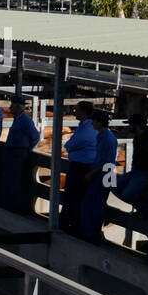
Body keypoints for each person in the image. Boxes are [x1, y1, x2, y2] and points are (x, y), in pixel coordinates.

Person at [80, 110, 118, 244]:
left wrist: (91, 173)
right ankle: (91, 232)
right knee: (94, 204)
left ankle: (92, 233)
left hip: (104, 174)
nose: (92, 123)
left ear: (99, 122)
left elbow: (107, 162)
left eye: (94, 120)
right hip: (104, 173)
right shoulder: (102, 136)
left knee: (94, 204)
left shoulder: (107, 138)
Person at [0, 95, 41, 215]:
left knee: (15, 179)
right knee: (12, 178)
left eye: (12, 105)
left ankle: (14, 206)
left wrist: (26, 150)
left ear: (18, 106)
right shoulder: (18, 118)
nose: (10, 107)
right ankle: (11, 204)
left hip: (18, 152)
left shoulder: (24, 120)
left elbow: (35, 136)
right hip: (15, 151)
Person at [61, 101, 97, 236]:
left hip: (81, 167)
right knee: (74, 196)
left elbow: (72, 144)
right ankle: (71, 224)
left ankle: (72, 225)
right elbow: (71, 144)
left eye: (77, 110)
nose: (75, 112)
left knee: (74, 196)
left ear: (84, 112)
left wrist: (71, 147)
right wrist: (71, 146)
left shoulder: (87, 128)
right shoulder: (84, 126)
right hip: (80, 165)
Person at [119, 112, 148, 215]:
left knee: (127, 194)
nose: (129, 127)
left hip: (147, 173)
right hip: (137, 172)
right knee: (113, 185)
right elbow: (135, 157)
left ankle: (144, 209)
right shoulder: (137, 138)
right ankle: (142, 206)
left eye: (131, 124)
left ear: (137, 126)